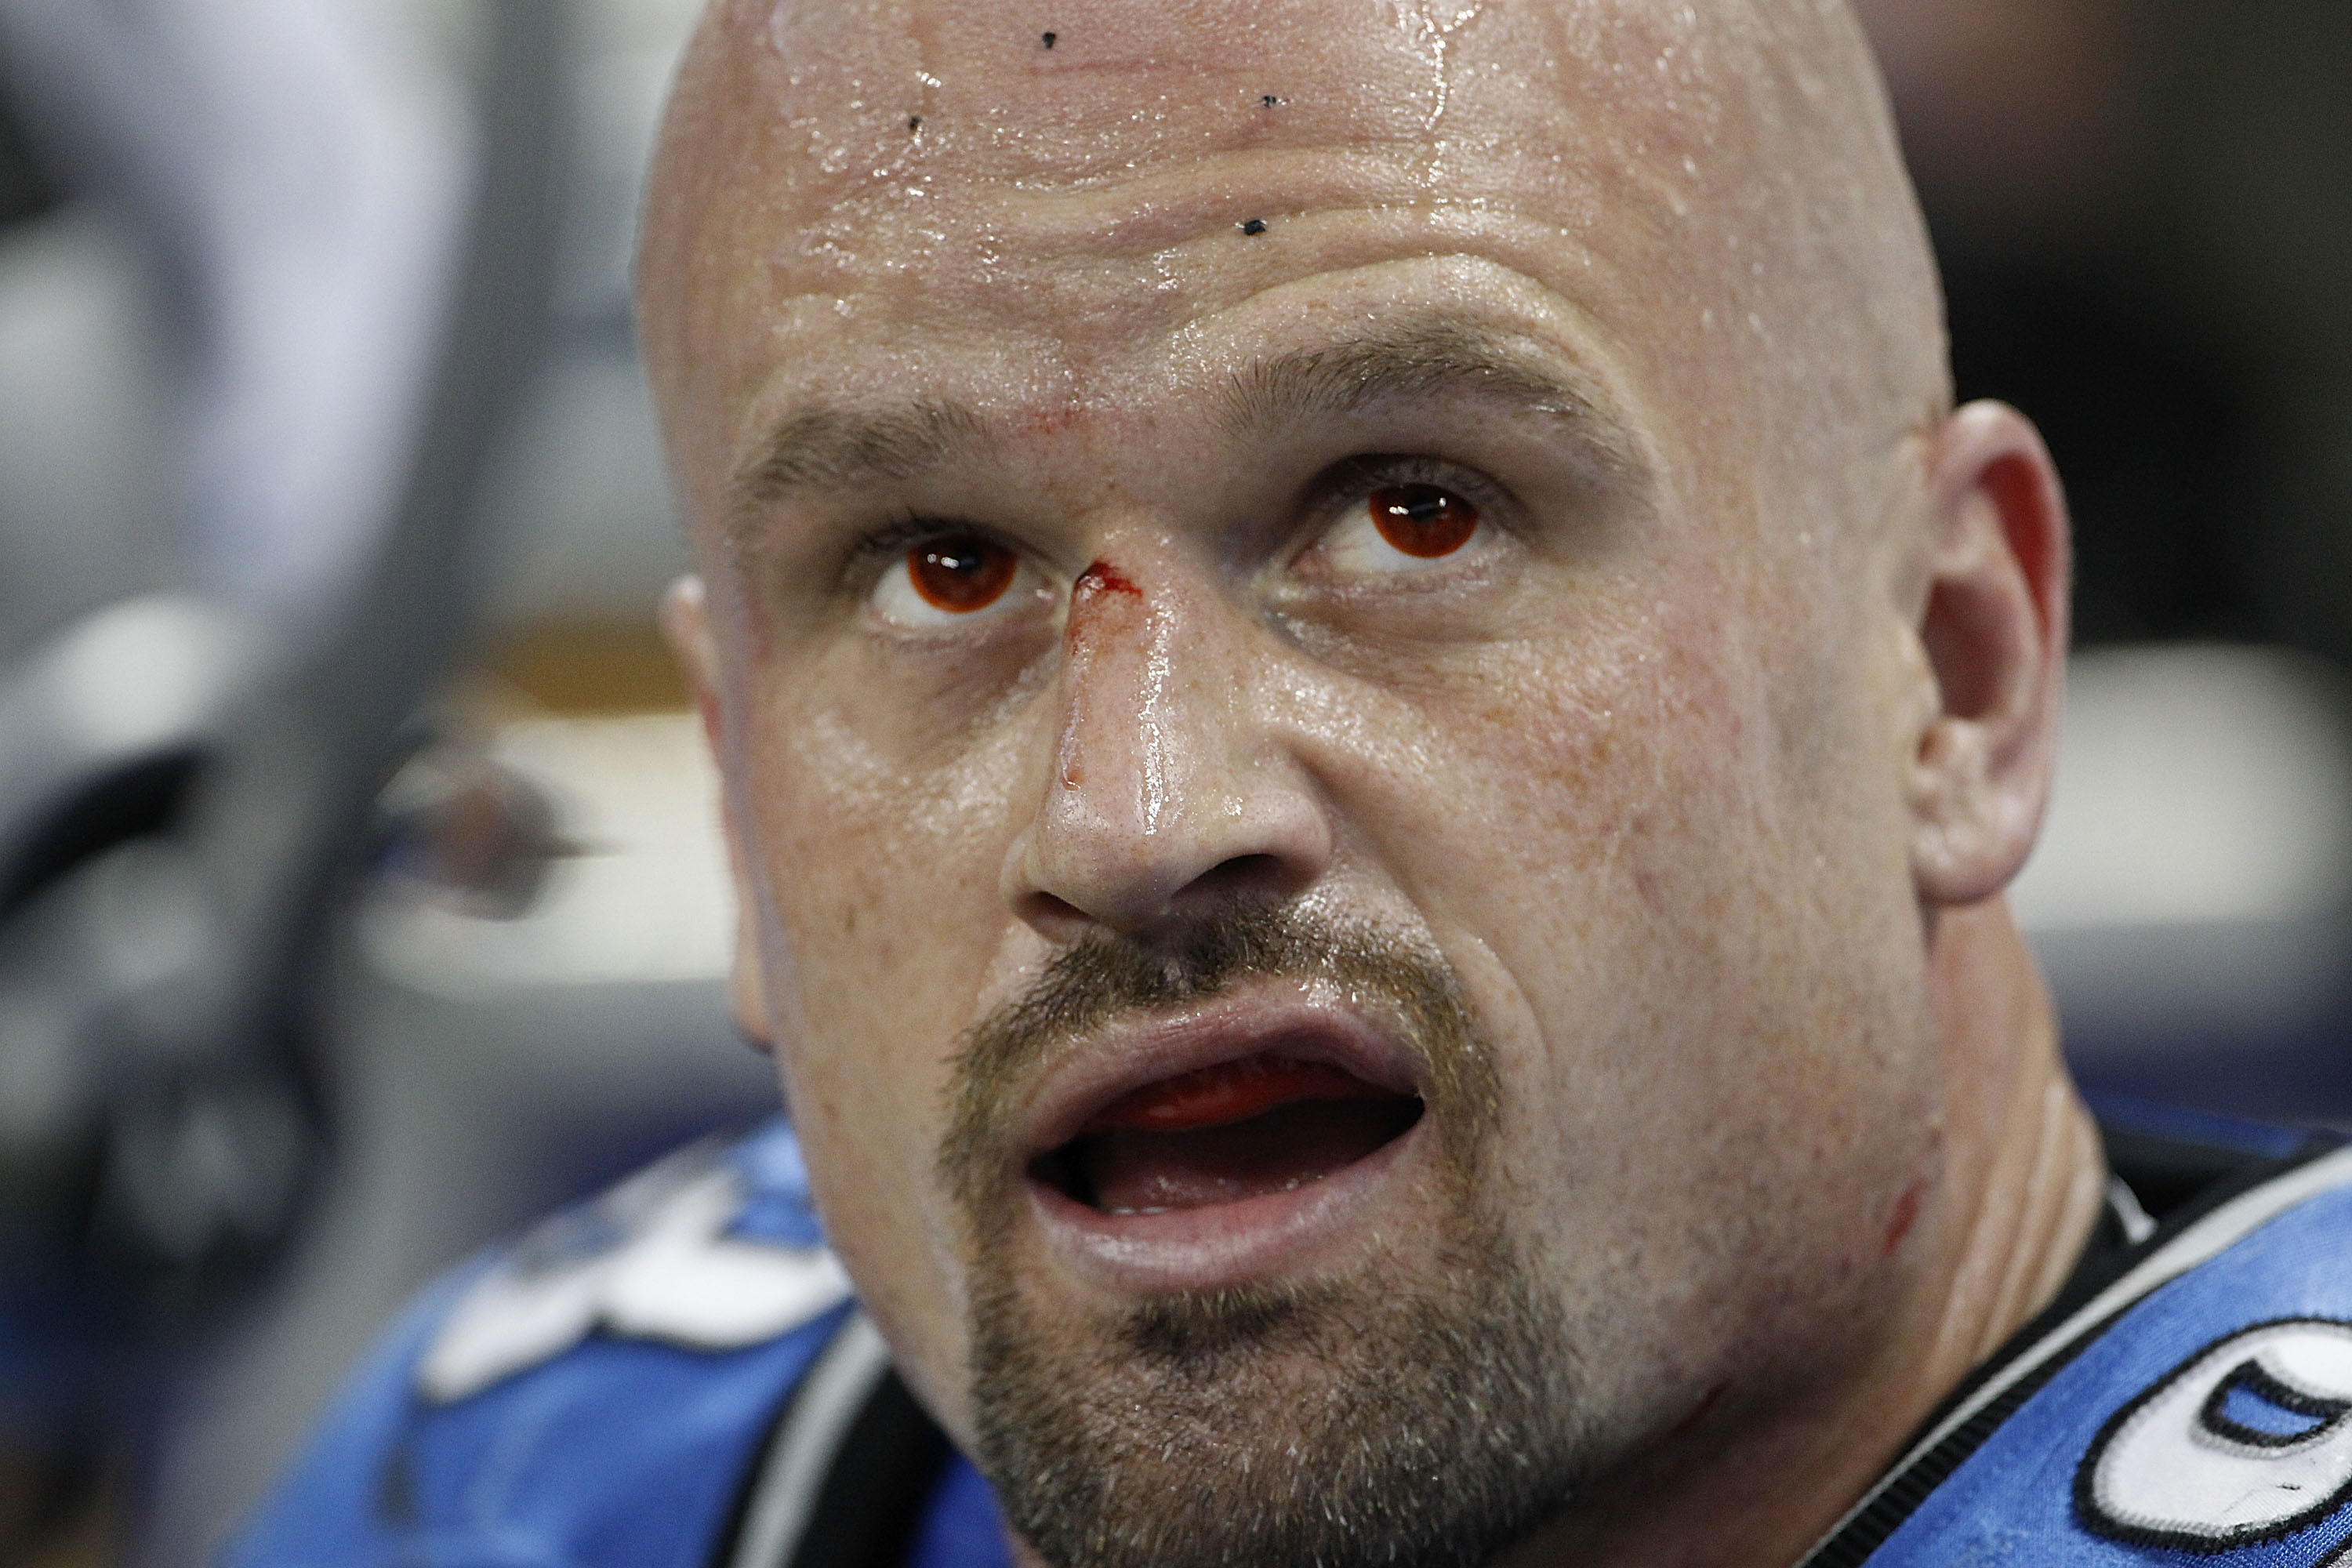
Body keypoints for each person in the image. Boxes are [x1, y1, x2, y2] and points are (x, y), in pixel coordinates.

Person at [227, 0, 2352, 1564]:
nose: (1136, 819)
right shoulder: (528, 1489)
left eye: (1413, 511)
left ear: (1955, 669)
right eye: (940, 569)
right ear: (736, 808)